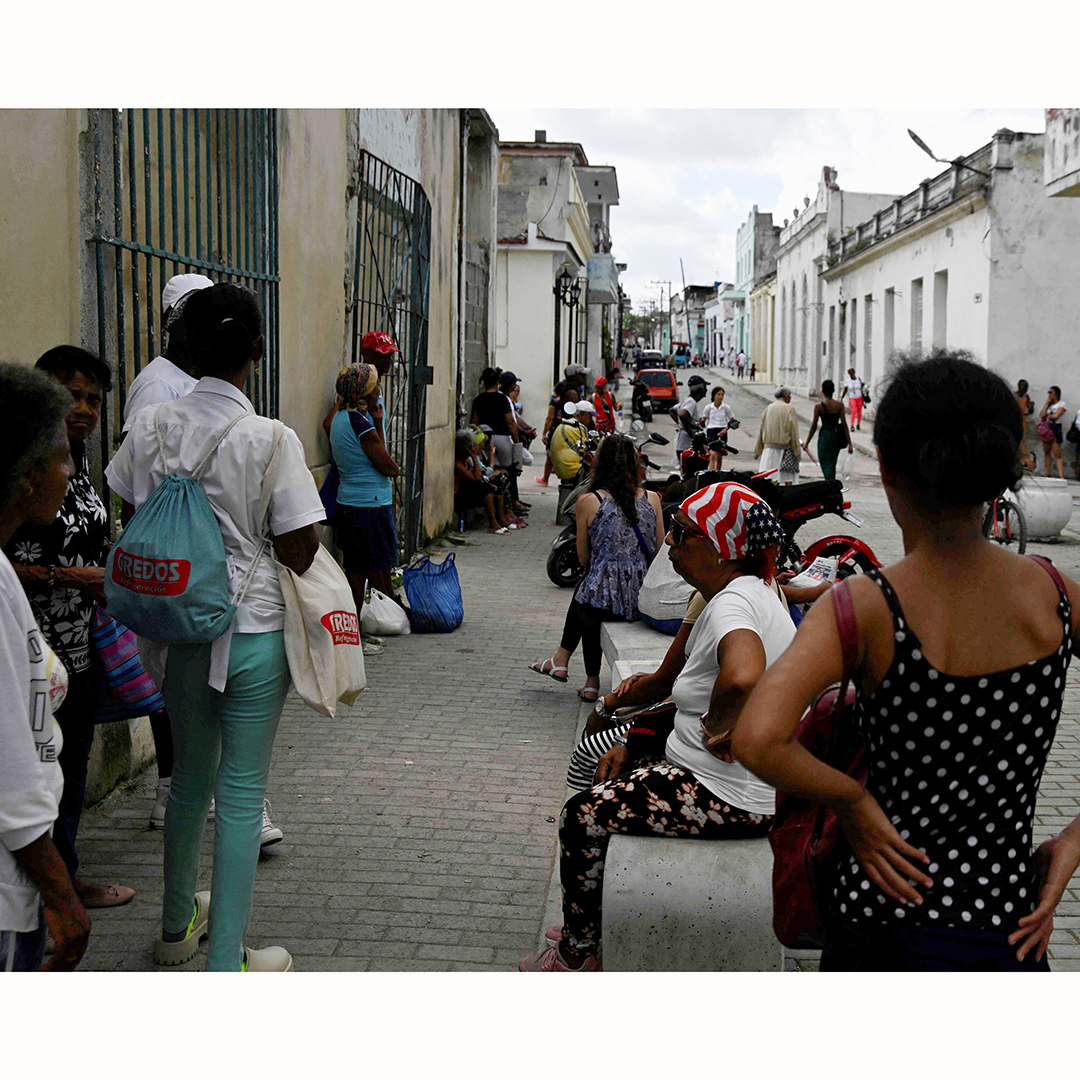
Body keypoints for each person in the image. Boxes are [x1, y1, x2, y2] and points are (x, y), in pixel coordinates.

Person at [733, 351, 1080, 972]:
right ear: (1002, 474)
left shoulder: (864, 606)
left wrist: (851, 800)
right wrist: (1073, 843)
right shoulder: (1055, 594)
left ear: (888, 473)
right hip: (1009, 926)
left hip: (881, 921)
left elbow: (758, 740)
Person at [107, 282, 325, 972]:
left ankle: (176, 927)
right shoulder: (271, 438)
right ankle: (226, 961)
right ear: (257, 349)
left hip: (178, 631)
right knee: (239, 794)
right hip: (253, 629)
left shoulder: (150, 426)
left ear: (187, 345)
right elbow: (300, 549)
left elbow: (134, 515)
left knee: (187, 783)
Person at [520, 481, 795, 972]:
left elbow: (743, 675)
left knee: (581, 816)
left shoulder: (732, 603)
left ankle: (577, 955)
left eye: (683, 533)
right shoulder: (742, 592)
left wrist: (718, 724)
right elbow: (682, 684)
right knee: (603, 773)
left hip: (728, 795)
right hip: (722, 780)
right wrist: (635, 735)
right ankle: (592, 919)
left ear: (722, 548)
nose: (670, 541)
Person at [5, 347, 136, 910]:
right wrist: (68, 577)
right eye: (70, 394)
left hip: (76, 650)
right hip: (23, 649)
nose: (82, 408)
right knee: (28, 772)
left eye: (93, 399)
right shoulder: (20, 464)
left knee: (69, 769)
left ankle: (66, 876)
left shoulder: (78, 462)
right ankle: (40, 894)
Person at [0, 362, 91, 971]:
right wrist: (63, 897)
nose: (70, 472)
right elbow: (10, 772)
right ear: (28, 477)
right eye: (61, 459)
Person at [529, 436, 664, 704]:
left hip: (604, 601)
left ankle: (585, 677)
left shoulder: (589, 501)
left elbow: (583, 557)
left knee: (589, 595)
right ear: (634, 463)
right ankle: (566, 665)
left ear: (599, 463)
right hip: (642, 595)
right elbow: (659, 549)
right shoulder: (653, 499)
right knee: (589, 595)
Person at [330, 362, 405, 614]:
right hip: (369, 503)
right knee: (362, 570)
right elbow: (387, 465)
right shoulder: (360, 424)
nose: (379, 391)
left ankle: (367, 618)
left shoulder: (342, 418)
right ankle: (358, 623)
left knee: (358, 566)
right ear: (365, 392)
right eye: (376, 387)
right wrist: (395, 468)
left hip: (351, 501)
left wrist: (378, 420)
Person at [123, 274, 214, 430]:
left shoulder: (203, 376)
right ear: (168, 321)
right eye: (191, 314)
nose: (202, 323)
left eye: (209, 314)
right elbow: (138, 442)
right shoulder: (157, 385)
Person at [454, 430, 515, 534]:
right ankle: (493, 524)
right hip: (460, 497)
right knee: (485, 488)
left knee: (496, 484)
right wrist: (474, 458)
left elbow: (479, 476)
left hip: (468, 489)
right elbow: (477, 479)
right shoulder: (458, 464)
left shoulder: (466, 460)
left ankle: (501, 518)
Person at [803, 379, 853, 481]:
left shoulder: (818, 407)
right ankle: (831, 482)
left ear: (822, 391)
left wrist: (807, 442)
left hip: (824, 438)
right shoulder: (839, 405)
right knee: (832, 464)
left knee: (825, 463)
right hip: (835, 438)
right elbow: (844, 425)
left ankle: (829, 482)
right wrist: (850, 444)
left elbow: (814, 426)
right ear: (833, 390)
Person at [536, 380, 580, 487]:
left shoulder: (555, 402)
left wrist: (544, 433)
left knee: (550, 455)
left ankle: (545, 478)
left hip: (556, 430)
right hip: (571, 430)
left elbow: (550, 418)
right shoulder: (574, 403)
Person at [755, 386, 801, 485]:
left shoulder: (769, 408)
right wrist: (797, 452)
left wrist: (758, 450)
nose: (790, 397)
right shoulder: (789, 409)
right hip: (785, 451)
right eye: (789, 395)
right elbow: (794, 432)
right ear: (785, 395)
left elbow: (761, 430)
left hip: (769, 451)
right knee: (788, 478)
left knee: (771, 479)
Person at [547, 402, 594, 484]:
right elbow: (585, 450)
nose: (591, 419)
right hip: (573, 470)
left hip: (560, 469)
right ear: (581, 414)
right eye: (589, 416)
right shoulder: (578, 427)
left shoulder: (563, 424)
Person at [674, 374, 709, 461]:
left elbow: (672, 410)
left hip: (682, 444)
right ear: (700, 389)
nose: (706, 390)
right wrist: (690, 431)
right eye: (705, 387)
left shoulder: (687, 400)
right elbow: (682, 414)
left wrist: (682, 424)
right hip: (687, 446)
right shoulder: (691, 402)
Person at [1039, 385, 1067, 480]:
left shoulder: (1061, 404)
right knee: (1047, 452)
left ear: (1056, 394)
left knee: (1057, 453)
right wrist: (1047, 404)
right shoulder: (1049, 405)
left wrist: (1048, 416)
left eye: (1051, 392)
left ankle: (1061, 474)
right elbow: (1042, 414)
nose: (1049, 394)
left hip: (1055, 428)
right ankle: (1047, 472)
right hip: (1047, 428)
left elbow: (1056, 415)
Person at [1014, 379, 1037, 472]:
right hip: (1014, 419)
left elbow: (1030, 411)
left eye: (1026, 388)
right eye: (1023, 388)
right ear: (1019, 387)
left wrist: (1031, 407)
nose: (1025, 390)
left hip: (1023, 420)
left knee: (1022, 441)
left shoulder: (1026, 397)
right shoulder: (1013, 396)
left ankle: (1024, 461)